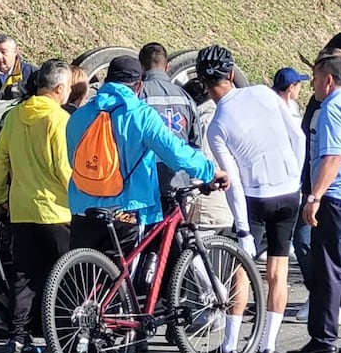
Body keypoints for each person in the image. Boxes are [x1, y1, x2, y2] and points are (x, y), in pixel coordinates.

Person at [199, 45, 305, 353]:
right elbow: (298, 138)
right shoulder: (263, 92)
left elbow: (233, 182)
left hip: (255, 196)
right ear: (231, 74)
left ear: (204, 83)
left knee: (242, 272)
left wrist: (243, 228)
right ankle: (267, 346)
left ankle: (230, 345)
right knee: (278, 272)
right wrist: (294, 177)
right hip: (289, 191)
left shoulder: (216, 125)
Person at [66, 55, 228, 259]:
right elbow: (175, 151)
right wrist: (210, 171)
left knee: (83, 283)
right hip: (127, 211)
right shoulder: (141, 115)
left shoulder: (79, 116)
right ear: (139, 86)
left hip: (83, 208)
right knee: (123, 282)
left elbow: (73, 158)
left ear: (106, 82)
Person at [287, 51, 341, 353]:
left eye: (316, 80)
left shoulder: (332, 109)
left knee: (328, 270)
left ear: (329, 79)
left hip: (336, 197)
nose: (314, 87)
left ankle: (323, 338)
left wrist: (314, 196)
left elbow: (333, 157)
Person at [0, 60, 73, 353]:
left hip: (22, 209)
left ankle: (17, 338)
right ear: (60, 88)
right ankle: (64, 337)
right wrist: (82, 198)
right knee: (65, 276)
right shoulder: (58, 120)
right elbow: (64, 167)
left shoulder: (14, 117)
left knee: (23, 277)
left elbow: (0, 160)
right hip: (57, 211)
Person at [138, 42, 200, 197]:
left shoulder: (138, 95)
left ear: (141, 66)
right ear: (166, 66)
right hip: (180, 178)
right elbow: (196, 142)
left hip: (148, 179)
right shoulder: (186, 98)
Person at [182, 79, 233, 234]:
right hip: (223, 200)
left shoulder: (204, 119)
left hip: (206, 202)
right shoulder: (221, 115)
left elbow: (206, 157)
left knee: (198, 254)